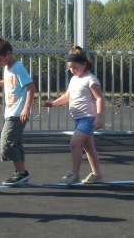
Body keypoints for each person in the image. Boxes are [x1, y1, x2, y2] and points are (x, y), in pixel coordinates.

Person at [42, 46, 104, 185]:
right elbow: (67, 96)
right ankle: (97, 174)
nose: (72, 70)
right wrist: (53, 104)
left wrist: (99, 117)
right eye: (70, 68)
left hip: (88, 118)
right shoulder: (74, 79)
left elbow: (99, 98)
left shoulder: (90, 79)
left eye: (75, 67)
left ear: (84, 64)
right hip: (78, 119)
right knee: (89, 148)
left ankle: (74, 174)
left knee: (74, 144)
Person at [0, 38, 36, 186]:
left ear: (9, 53)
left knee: (6, 143)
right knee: (16, 143)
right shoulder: (8, 68)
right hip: (10, 112)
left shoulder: (18, 67)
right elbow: (10, 82)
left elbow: (31, 87)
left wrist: (26, 108)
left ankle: (21, 173)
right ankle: (21, 173)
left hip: (17, 113)